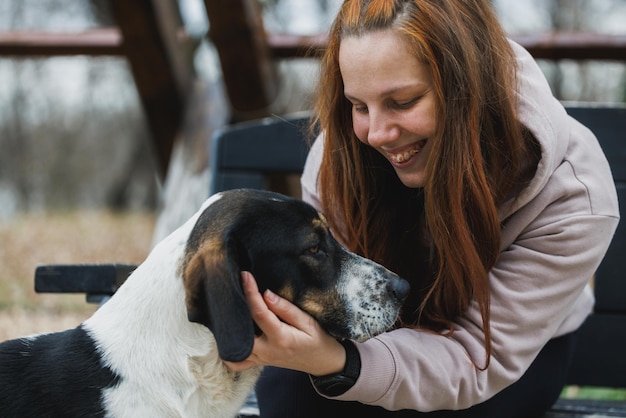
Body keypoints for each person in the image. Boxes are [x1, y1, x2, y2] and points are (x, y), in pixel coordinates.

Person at [225, 0, 620, 416]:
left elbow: (476, 361)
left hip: (497, 360)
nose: (376, 133)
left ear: (469, 86)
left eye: (402, 101)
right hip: (372, 330)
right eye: (359, 106)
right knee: (291, 388)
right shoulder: (339, 158)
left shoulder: (574, 195)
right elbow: (334, 303)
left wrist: (345, 365)